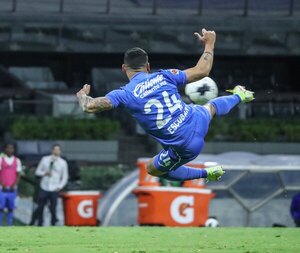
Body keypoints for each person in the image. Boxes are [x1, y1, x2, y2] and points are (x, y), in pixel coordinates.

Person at [76, 28, 254, 182]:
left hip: (184, 146)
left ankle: (206, 173)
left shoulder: (124, 94)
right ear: (148, 66)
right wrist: (209, 44)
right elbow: (202, 71)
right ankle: (239, 95)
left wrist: (83, 96)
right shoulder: (164, 75)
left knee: (152, 169)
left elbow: (89, 106)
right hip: (196, 119)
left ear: (124, 68)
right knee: (211, 107)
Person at [35, 144, 68, 226]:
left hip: (54, 188)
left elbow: (64, 177)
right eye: (55, 149)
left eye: (58, 150)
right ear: (52, 150)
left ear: (60, 151)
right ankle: (40, 223)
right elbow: (37, 172)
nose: (56, 151)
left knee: (53, 208)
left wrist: (59, 187)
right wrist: (44, 173)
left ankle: (53, 223)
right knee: (40, 206)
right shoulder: (45, 159)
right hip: (44, 186)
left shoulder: (63, 163)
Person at [0, 143, 22, 226]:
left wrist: (14, 184)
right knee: (0, 208)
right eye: (8, 148)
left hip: (12, 189)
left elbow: (18, 174)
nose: (10, 150)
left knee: (11, 208)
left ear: (13, 150)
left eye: (11, 148)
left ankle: (10, 225)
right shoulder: (1, 159)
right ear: (5, 149)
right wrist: (2, 184)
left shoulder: (17, 160)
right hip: (2, 188)